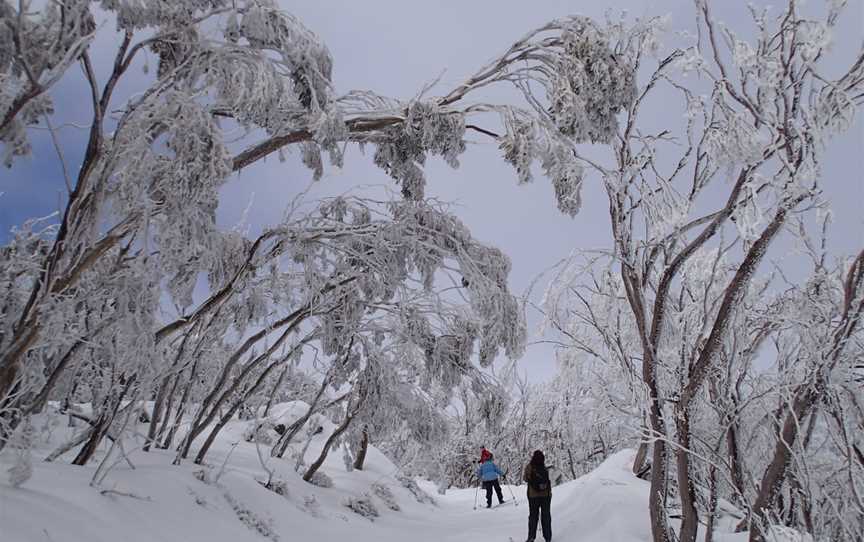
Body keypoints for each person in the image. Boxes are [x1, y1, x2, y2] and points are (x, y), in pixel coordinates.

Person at [523, 450, 552, 542]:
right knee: (546, 515)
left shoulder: (529, 467)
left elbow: (525, 478)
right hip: (546, 496)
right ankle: (548, 537)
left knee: (533, 516)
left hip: (533, 496)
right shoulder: (544, 467)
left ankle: (531, 537)